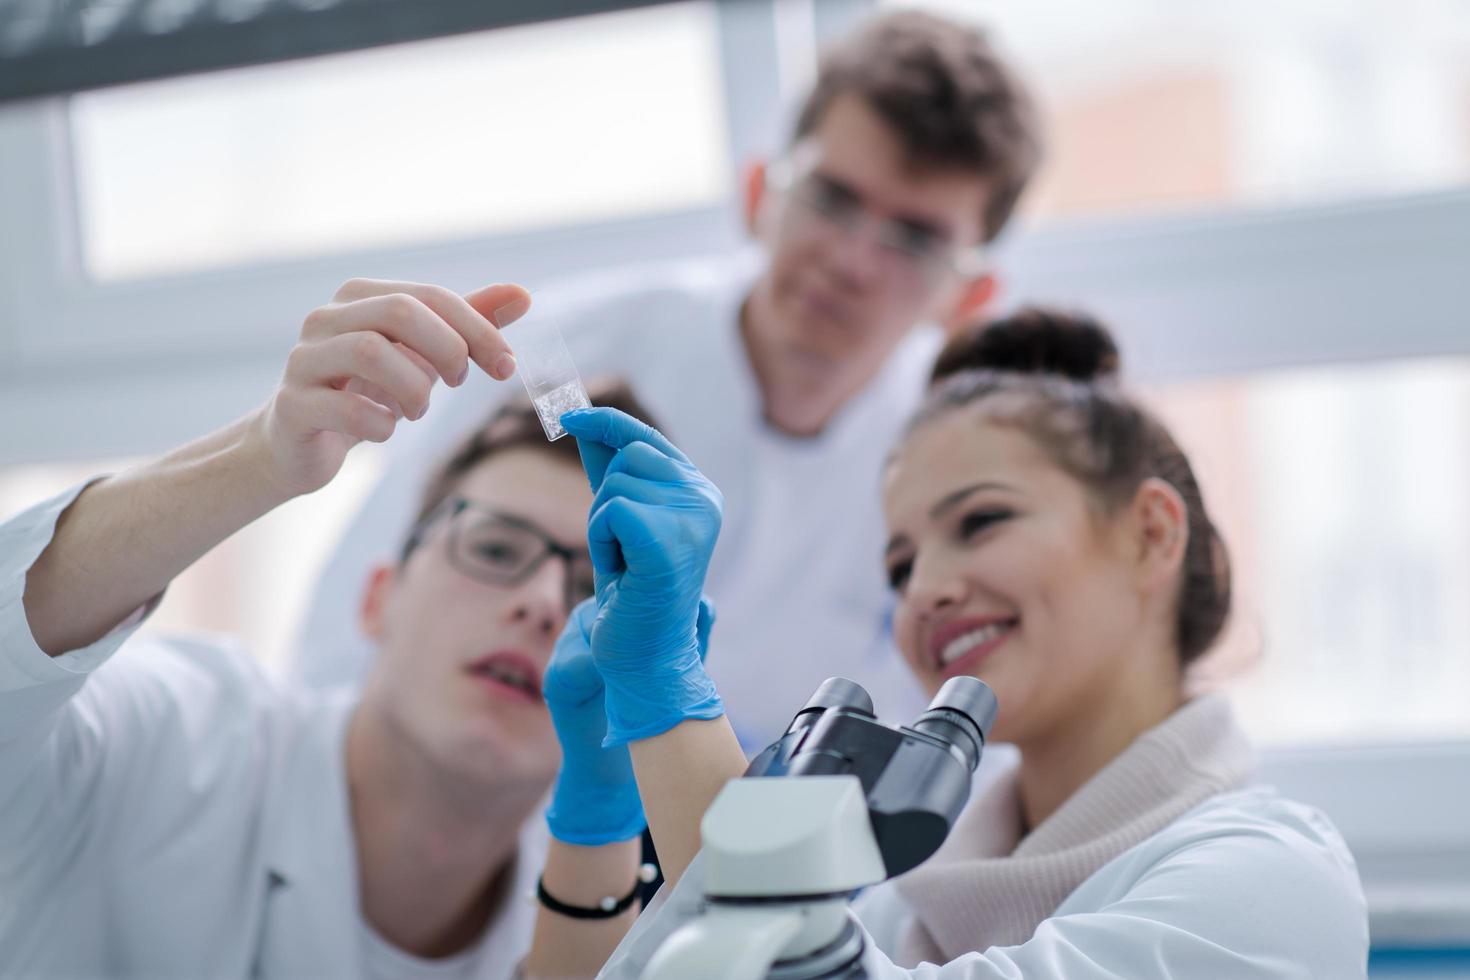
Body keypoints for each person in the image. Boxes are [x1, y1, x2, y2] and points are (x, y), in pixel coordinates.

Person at [524, 310, 1369, 978]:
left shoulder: (1270, 884)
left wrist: (668, 687)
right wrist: (608, 795)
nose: (925, 587)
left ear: (1151, 533)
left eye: (982, 521)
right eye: (900, 565)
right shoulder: (904, 906)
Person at [292, 10, 1046, 749]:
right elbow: (366, 612)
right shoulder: (558, 364)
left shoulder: (955, 466)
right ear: (759, 195)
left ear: (969, 297)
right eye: (831, 199)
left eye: (915, 239)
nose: (851, 261)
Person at [0, 278, 655, 978]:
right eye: (495, 550)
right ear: (379, 598)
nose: (544, 604)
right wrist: (258, 456)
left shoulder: (593, 919)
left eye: (594, 588)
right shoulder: (174, 737)